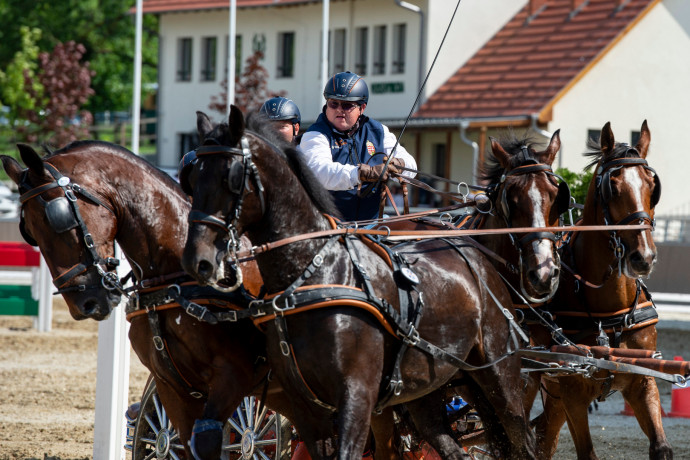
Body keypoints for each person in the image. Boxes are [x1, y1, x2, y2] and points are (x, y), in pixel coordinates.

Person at [299, 71, 416, 222]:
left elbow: (411, 166)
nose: (339, 109)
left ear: (362, 108)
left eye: (347, 105)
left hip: (372, 223)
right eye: (333, 103)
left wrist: (398, 165)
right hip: (329, 227)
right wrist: (361, 173)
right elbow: (320, 172)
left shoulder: (378, 131)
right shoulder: (315, 135)